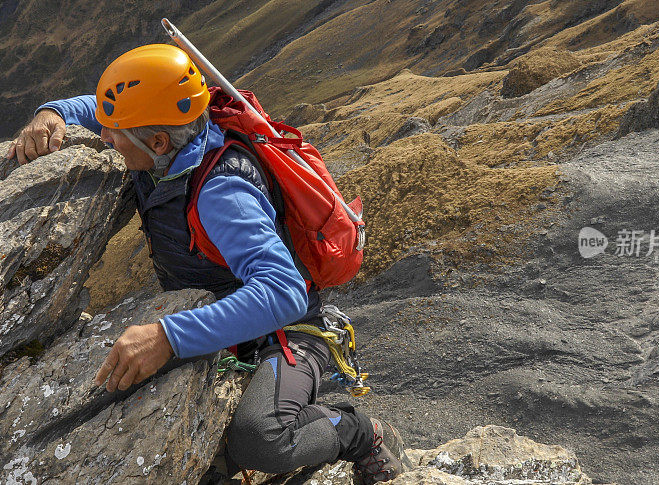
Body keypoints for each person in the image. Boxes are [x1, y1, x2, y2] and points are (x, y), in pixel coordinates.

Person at [7, 44, 410, 484]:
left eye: (115, 132)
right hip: (226, 326)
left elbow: (284, 291)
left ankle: (359, 430)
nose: (105, 137)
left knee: (259, 438)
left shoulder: (222, 193)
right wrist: (53, 113)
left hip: (285, 334)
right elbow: (100, 109)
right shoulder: (168, 144)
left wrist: (168, 336)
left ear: (157, 141)